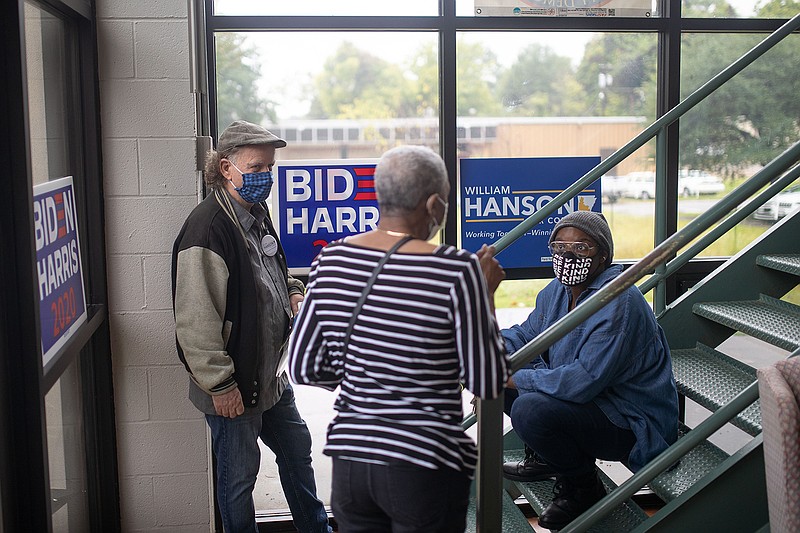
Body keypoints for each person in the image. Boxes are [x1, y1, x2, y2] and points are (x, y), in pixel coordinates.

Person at [287, 145, 510, 533]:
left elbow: (304, 366)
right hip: (424, 462)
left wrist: (369, 378)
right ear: (434, 204)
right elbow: (488, 380)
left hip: (353, 461)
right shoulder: (456, 269)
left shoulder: (332, 259)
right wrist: (486, 295)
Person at [171, 120, 331, 533]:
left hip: (270, 379)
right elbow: (195, 321)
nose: (266, 178)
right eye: (256, 168)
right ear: (226, 168)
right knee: (239, 483)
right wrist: (220, 386)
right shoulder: (206, 229)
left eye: (270, 169)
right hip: (234, 386)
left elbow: (273, 268)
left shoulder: (255, 213)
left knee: (297, 454)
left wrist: (294, 291)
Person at [500, 210, 678, 531]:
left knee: (528, 406)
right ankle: (545, 458)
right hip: (591, 404)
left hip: (627, 419)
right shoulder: (556, 291)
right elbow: (526, 336)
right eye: (559, 246)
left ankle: (583, 487)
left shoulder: (619, 300)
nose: (567, 255)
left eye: (581, 248)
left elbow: (582, 382)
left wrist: (513, 376)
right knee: (501, 366)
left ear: (604, 254)